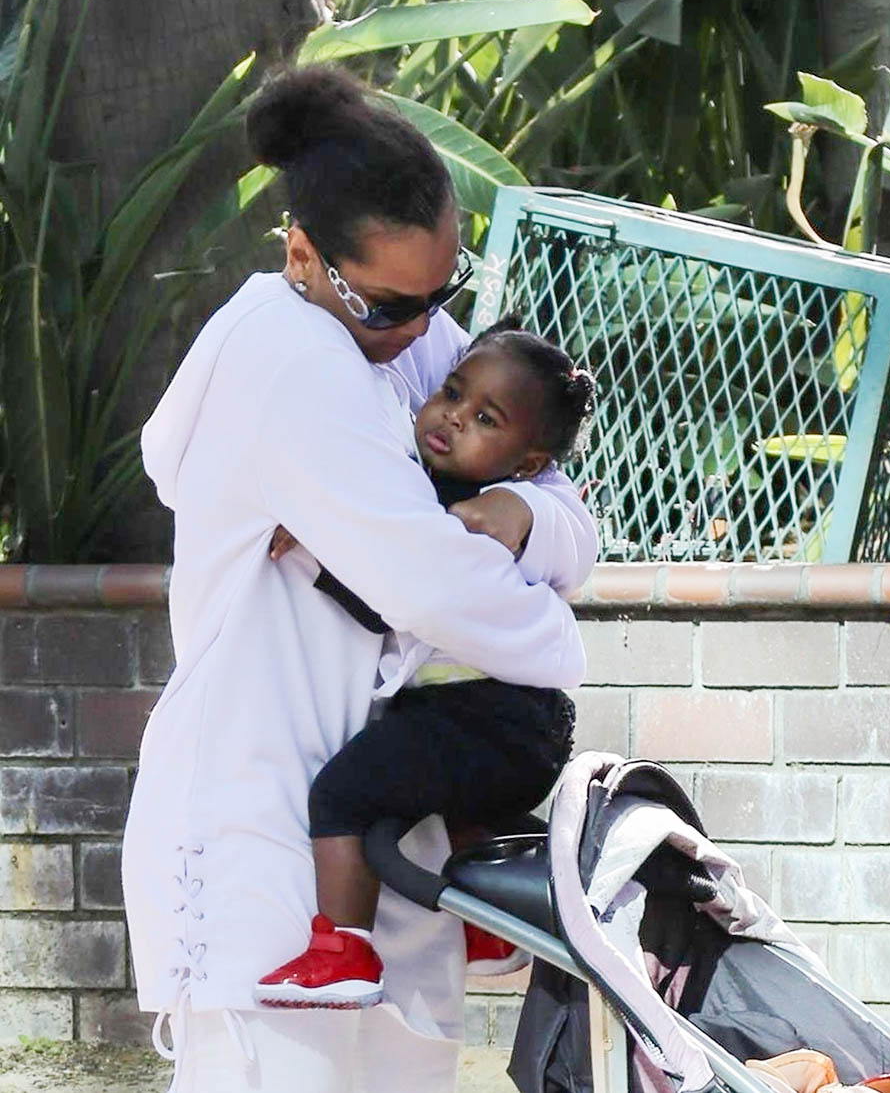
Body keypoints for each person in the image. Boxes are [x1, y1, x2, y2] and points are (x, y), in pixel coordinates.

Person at [121, 63, 597, 1093]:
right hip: (260, 831)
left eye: (445, 294)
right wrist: (560, 641)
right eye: (394, 303)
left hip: (392, 838)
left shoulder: (399, 340)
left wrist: (518, 513)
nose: (429, 334)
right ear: (301, 253)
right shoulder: (291, 357)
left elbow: (559, 490)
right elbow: (430, 585)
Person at [254, 325, 597, 1009]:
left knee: (343, 797)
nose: (452, 418)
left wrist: (316, 544)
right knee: (454, 806)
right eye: (452, 392)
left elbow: (393, 601)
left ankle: (343, 949)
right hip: (518, 719)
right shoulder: (441, 488)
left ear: (528, 465)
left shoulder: (474, 515)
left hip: (492, 713)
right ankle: (492, 933)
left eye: (484, 420)